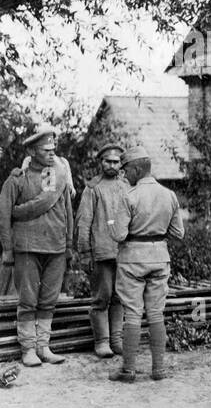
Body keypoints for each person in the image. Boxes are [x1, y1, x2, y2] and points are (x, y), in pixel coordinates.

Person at [0, 125, 75, 367]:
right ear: (32, 150)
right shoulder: (17, 179)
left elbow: (67, 211)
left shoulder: (56, 176)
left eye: (54, 149)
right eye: (46, 150)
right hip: (28, 247)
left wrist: (69, 243)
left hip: (56, 247)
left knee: (48, 300)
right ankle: (28, 349)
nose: (52, 154)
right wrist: (8, 249)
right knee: (28, 300)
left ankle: (43, 346)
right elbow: (3, 216)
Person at [108, 146, 184, 381]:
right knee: (156, 314)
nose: (124, 174)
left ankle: (128, 370)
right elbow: (178, 233)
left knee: (132, 314)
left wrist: (111, 222)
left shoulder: (129, 197)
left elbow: (119, 235)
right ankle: (158, 369)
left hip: (132, 260)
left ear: (138, 169)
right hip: (160, 258)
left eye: (127, 169)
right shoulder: (169, 195)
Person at [75, 143, 130, 357]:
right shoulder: (93, 188)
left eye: (116, 162)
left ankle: (116, 340)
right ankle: (102, 341)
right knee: (102, 295)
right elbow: (84, 221)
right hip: (101, 252)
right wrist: (85, 251)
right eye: (108, 161)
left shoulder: (126, 186)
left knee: (119, 296)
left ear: (120, 164)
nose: (112, 165)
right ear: (101, 162)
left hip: (123, 252)